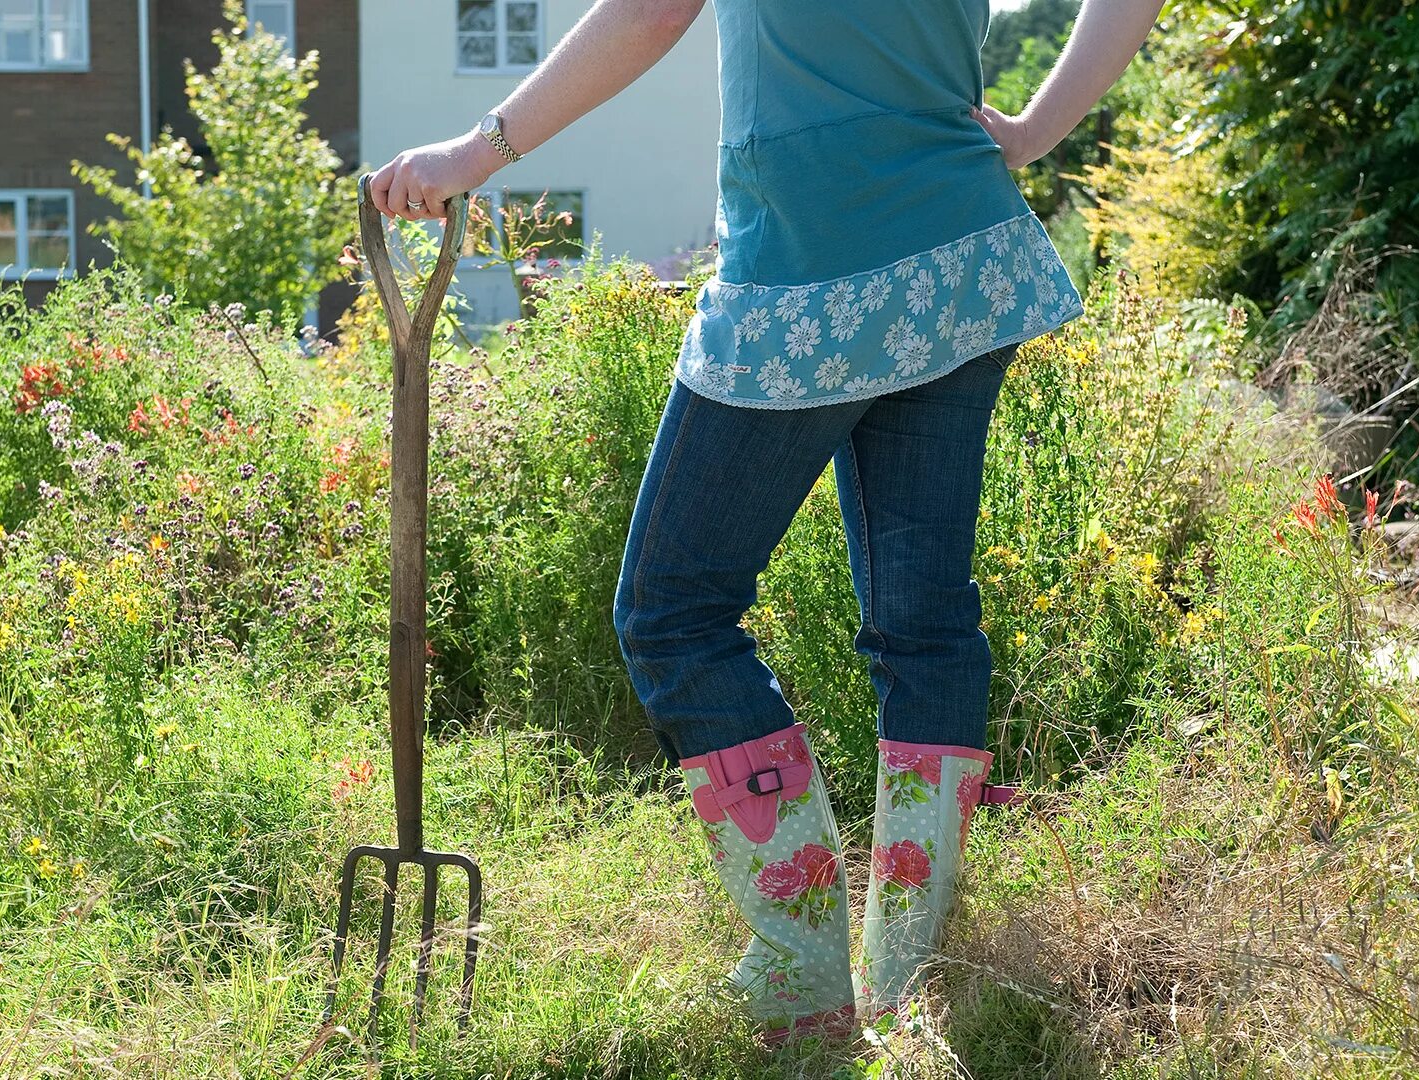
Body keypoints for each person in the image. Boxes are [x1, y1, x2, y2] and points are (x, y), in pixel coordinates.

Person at [368, 0, 1166, 1047]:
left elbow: (652, 11)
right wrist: (1039, 131)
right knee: (924, 625)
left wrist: (477, 152)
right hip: (959, 255)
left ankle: (800, 970)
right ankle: (905, 980)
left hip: (810, 268)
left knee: (671, 612)